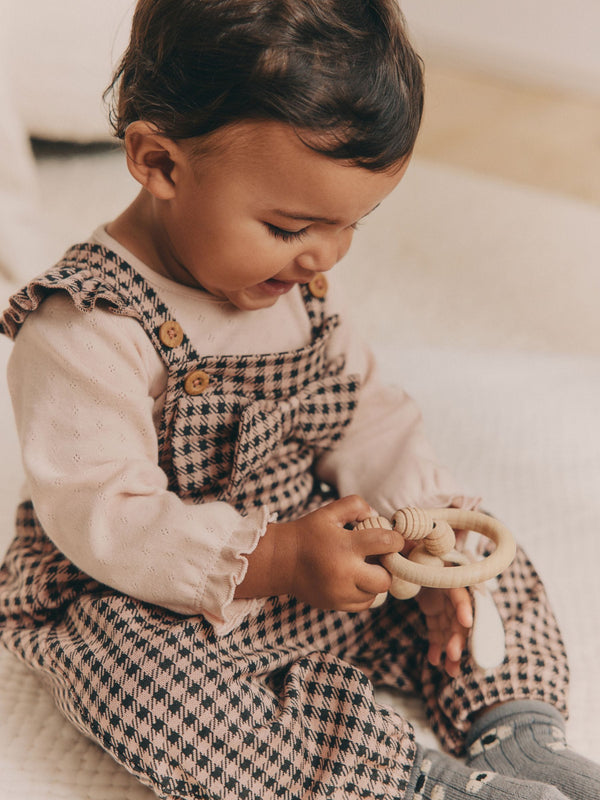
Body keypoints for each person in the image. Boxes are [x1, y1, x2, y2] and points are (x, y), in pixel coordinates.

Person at [0, 2, 598, 798]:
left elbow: (366, 414)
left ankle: (513, 725)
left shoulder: (297, 284)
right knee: (131, 676)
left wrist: (429, 538)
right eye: (290, 226)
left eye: (352, 224)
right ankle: (400, 777)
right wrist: (275, 557)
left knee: (489, 562)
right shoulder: (85, 326)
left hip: (320, 564)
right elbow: (104, 516)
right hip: (164, 597)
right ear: (160, 162)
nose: (325, 254)